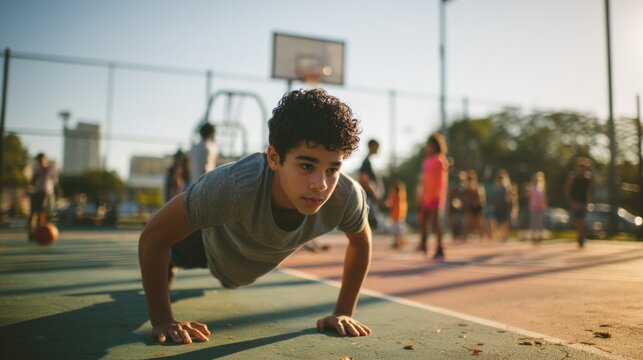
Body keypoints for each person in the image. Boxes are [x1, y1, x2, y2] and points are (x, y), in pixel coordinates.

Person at [138, 89, 372, 345]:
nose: (321, 184)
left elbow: (361, 242)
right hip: (209, 245)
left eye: (333, 169)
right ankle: (172, 262)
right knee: (175, 250)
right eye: (307, 166)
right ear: (274, 157)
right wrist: (162, 319)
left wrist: (343, 312)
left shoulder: (346, 197)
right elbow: (154, 236)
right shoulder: (234, 186)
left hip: (243, 264)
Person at [417, 133, 448, 259]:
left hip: (436, 196)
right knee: (423, 221)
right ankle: (423, 243)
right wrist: (421, 194)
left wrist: (437, 195)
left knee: (435, 223)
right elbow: (423, 180)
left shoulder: (440, 160)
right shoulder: (426, 162)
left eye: (429, 145)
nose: (427, 147)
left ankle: (439, 248)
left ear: (435, 146)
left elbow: (441, 181)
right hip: (426, 196)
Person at [27, 153, 58, 240]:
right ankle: (32, 233)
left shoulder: (50, 169)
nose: (40, 162)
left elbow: (54, 181)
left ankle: (41, 232)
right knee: (33, 213)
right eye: (39, 160)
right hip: (37, 192)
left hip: (47, 193)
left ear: (45, 159)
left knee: (44, 213)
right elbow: (32, 181)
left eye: (42, 160)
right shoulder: (35, 169)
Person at [565, 157, 592, 248]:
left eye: (584, 166)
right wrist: (571, 201)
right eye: (581, 166)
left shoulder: (587, 178)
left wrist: (589, 201)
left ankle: (581, 237)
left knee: (583, 221)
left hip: (584, 202)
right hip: (576, 202)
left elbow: (588, 191)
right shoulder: (573, 177)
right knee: (578, 221)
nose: (582, 168)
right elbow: (568, 190)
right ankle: (580, 237)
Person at [358, 139, 383, 230]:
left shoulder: (368, 161)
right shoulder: (366, 162)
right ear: (372, 146)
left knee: (369, 221)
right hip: (367, 196)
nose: (378, 150)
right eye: (377, 147)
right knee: (368, 221)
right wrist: (373, 192)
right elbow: (363, 178)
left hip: (369, 196)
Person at [491, 169, 514, 242]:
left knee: (504, 221)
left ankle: (504, 235)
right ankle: (502, 235)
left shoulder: (505, 186)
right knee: (501, 222)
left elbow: (509, 198)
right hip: (499, 207)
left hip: (504, 207)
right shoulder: (497, 186)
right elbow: (495, 198)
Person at [464, 169, 486, 240]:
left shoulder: (478, 187)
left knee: (479, 222)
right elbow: (466, 197)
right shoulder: (467, 187)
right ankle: (465, 236)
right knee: (467, 221)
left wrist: (478, 202)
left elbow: (481, 198)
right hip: (470, 206)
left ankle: (482, 235)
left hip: (477, 207)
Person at [385, 180, 408, 249]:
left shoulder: (397, 196)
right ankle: (398, 242)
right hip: (397, 216)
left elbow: (389, 203)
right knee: (397, 231)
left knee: (397, 231)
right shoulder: (400, 196)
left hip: (397, 217)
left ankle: (399, 242)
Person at [447, 170, 468, 242]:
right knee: (455, 221)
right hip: (455, 207)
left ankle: (463, 236)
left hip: (464, 208)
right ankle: (455, 235)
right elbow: (451, 195)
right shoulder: (455, 186)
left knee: (463, 222)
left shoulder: (466, 186)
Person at [528, 171, 547, 243]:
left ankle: (539, 236)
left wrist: (543, 205)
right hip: (533, 207)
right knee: (533, 222)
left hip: (539, 207)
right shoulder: (532, 188)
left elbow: (543, 198)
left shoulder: (541, 188)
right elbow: (530, 197)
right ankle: (533, 236)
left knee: (539, 222)